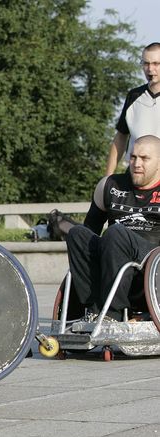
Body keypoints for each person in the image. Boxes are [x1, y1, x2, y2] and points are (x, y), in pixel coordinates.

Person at [67, 135, 160, 320]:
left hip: (152, 264)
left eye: (144, 158)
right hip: (113, 255)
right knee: (77, 233)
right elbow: (90, 231)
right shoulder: (109, 186)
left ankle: (113, 313)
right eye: (133, 157)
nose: (136, 163)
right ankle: (94, 309)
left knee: (115, 232)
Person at [105, 42, 160, 176]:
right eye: (145, 63)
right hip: (135, 176)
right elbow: (120, 138)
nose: (150, 69)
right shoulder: (134, 96)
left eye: (156, 63)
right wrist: (107, 178)